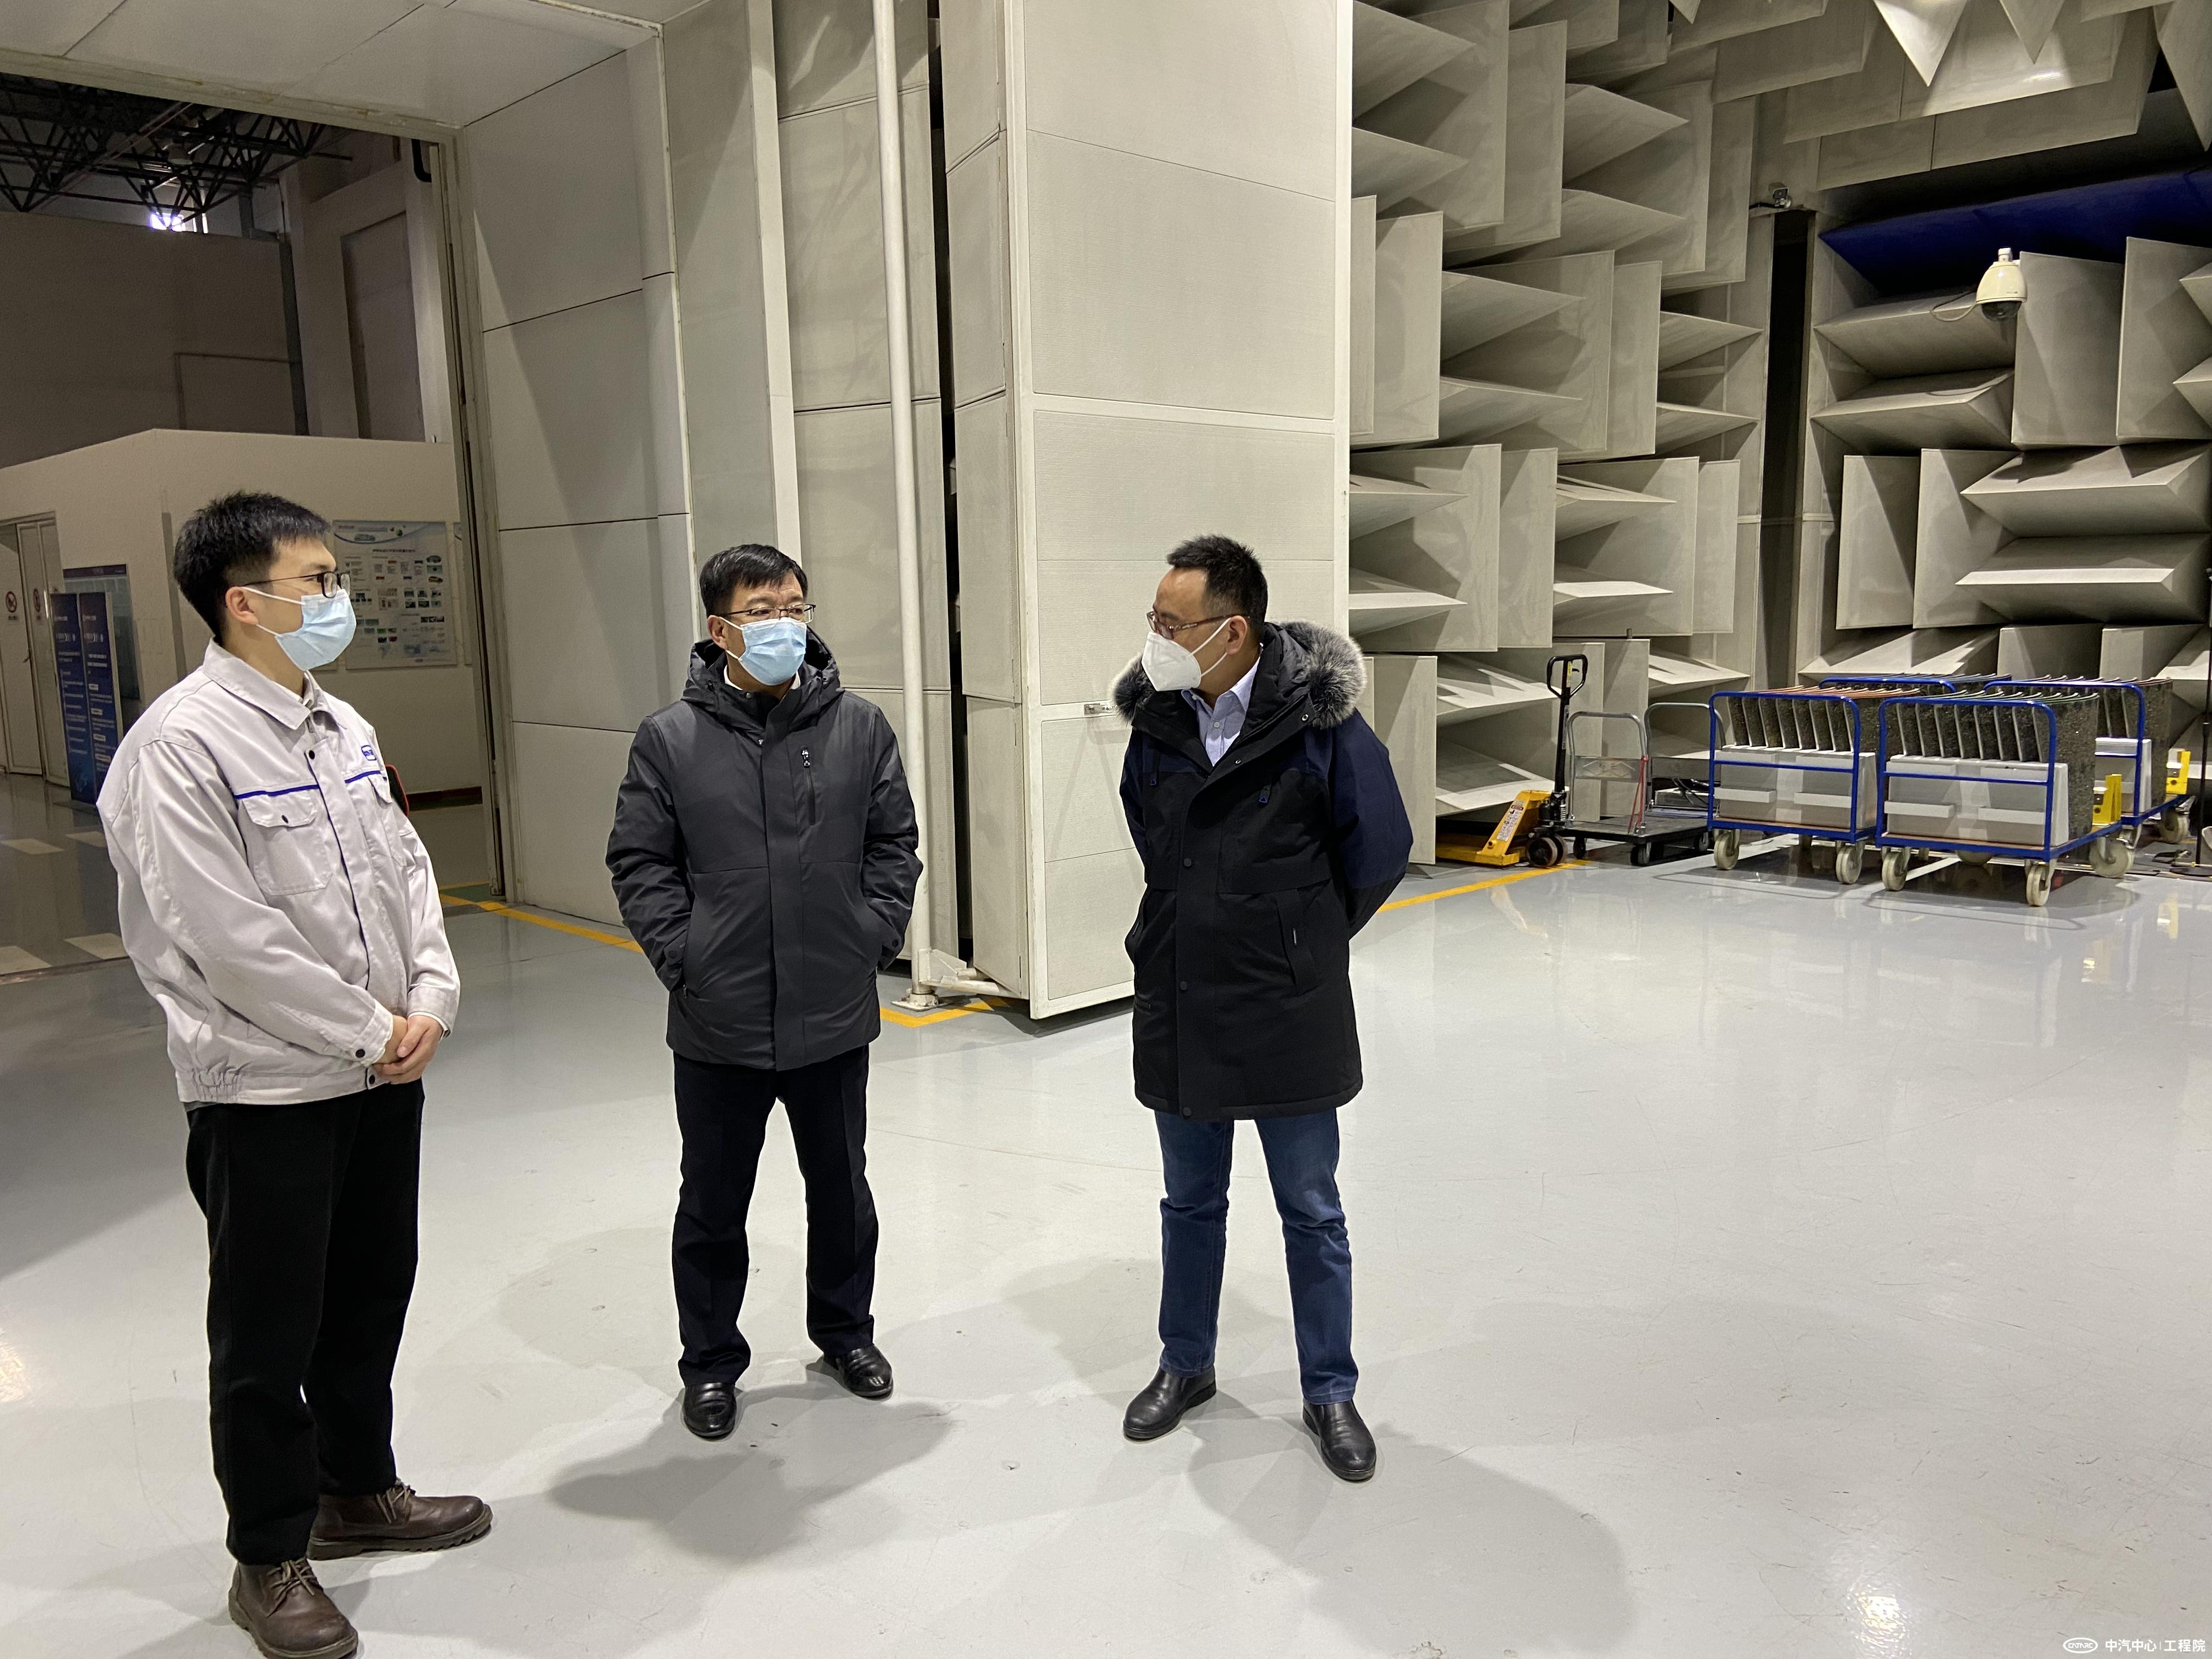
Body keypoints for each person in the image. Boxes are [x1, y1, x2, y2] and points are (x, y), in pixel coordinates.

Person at [99, 492, 486, 1659]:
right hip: (266, 1090)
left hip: (380, 1074)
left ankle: (355, 1489)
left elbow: (407, 872)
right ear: (244, 603)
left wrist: (431, 999)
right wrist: (371, 1029)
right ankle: (269, 1555)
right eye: (317, 580)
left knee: (370, 1291)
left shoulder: (341, 724)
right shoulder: (179, 748)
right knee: (268, 1331)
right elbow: (226, 937)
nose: (338, 599)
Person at [1111, 534, 1414, 1482]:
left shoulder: (1325, 727)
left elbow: (1379, 850)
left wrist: (1298, 938)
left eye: (1172, 624)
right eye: (1155, 620)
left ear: (1232, 631)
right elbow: (1149, 832)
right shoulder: (1158, 722)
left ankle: (1330, 1389)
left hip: (1289, 1006)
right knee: (1189, 1201)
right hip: (1182, 995)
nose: (1156, 639)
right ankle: (1186, 1365)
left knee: (1312, 1210)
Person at [607, 543, 921, 1441]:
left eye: (794, 607)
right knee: (713, 1204)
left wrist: (870, 939)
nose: (784, 624)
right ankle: (710, 1363)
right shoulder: (670, 739)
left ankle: (846, 1335)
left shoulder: (859, 728)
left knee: (843, 1190)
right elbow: (640, 862)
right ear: (720, 628)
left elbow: (894, 844)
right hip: (721, 1020)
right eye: (761, 610)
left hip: (833, 1011)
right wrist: (688, 959)